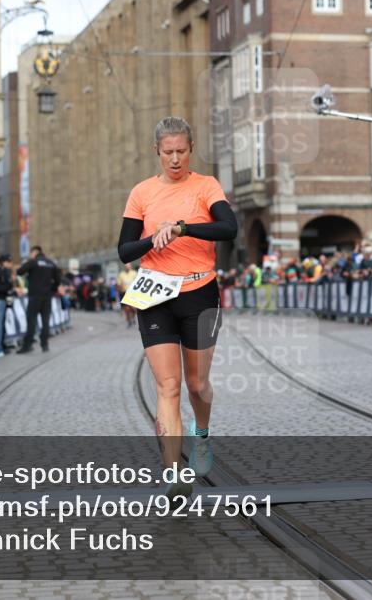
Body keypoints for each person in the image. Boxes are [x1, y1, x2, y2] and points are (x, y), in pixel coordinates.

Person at [117, 116, 237, 498]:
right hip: (155, 294)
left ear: (191, 149)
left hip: (199, 292)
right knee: (167, 386)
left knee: (197, 385)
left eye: (181, 151)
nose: (174, 159)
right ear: (156, 151)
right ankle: (173, 472)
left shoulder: (206, 186)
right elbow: (124, 250)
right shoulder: (141, 193)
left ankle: (202, 434)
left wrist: (183, 228)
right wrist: (154, 238)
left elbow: (229, 228)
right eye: (167, 152)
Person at [16, 246, 60, 353]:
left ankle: (27, 345)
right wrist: (52, 290)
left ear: (34, 253)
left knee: (31, 321)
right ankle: (45, 345)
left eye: (31, 254)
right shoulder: (51, 263)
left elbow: (19, 272)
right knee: (45, 322)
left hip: (35, 296)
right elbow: (58, 280)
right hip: (47, 297)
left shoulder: (33, 262)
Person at [117, 263, 139, 328]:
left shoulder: (134, 273)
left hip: (132, 293)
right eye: (126, 266)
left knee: (133, 308)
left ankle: (133, 317)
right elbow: (118, 284)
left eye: (128, 266)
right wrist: (119, 291)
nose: (127, 267)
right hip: (124, 292)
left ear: (131, 267)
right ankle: (129, 321)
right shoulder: (121, 274)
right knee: (127, 309)